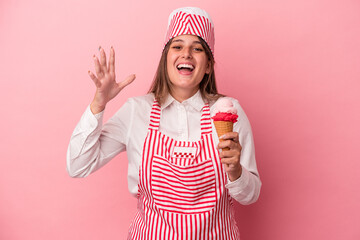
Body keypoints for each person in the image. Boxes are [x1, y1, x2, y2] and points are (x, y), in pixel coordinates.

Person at [67, 7, 261, 239]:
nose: (186, 54)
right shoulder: (136, 111)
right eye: (177, 46)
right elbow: (77, 165)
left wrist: (236, 171)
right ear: (165, 58)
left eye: (197, 48)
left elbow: (250, 196)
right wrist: (98, 103)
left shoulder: (228, 111)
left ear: (208, 65)